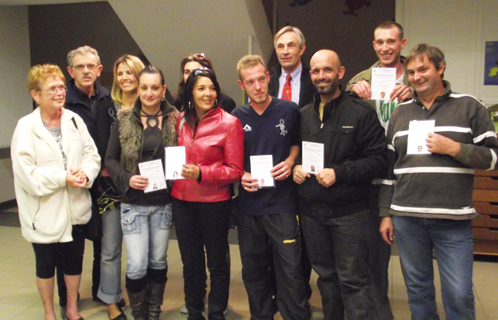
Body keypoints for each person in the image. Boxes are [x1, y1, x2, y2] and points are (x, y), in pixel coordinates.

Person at [379, 44, 498, 320]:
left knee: (458, 293)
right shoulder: (399, 113)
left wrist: (454, 148)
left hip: (452, 219)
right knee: (418, 290)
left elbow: (492, 157)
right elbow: (388, 170)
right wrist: (386, 214)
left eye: (423, 69)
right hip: (407, 217)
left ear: (440, 68)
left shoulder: (469, 106)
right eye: (411, 72)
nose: (417, 77)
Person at [293, 49, 388, 320]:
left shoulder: (361, 113)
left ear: (340, 73)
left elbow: (379, 160)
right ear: (310, 74)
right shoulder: (304, 115)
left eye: (328, 70)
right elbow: (296, 152)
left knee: (354, 281)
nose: (321, 76)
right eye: (316, 71)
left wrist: (339, 173)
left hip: (350, 214)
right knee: (326, 278)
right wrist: (297, 167)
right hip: (312, 214)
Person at [11, 64, 100, 320]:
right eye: (52, 88)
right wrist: (63, 178)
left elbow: (91, 155)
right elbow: (27, 174)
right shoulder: (26, 127)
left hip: (75, 207)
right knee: (46, 265)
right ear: (35, 95)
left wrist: (86, 172)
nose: (60, 92)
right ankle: (49, 312)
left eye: (62, 87)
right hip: (43, 212)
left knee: (73, 261)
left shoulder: (74, 120)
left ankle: (71, 308)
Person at [232, 55, 311, 320]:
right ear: (242, 85)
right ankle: (262, 315)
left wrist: (291, 161)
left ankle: (296, 315)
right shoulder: (235, 117)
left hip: (282, 204)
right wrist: (241, 175)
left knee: (290, 268)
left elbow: (297, 142)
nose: (257, 86)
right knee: (254, 270)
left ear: (268, 77)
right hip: (249, 207)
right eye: (250, 82)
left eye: (261, 79)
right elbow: (230, 160)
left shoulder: (288, 109)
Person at [345, 20, 410, 320]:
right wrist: (351, 91)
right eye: (380, 42)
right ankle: (378, 312)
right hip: (375, 174)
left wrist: (416, 94)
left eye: (391, 41)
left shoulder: (417, 76)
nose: (385, 47)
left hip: (410, 172)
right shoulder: (361, 78)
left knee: (414, 251)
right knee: (375, 253)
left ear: (402, 43)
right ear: (373, 45)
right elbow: (343, 110)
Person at [106, 65, 179, 320]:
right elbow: (111, 159)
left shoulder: (175, 119)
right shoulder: (124, 119)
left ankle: (154, 310)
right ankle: (139, 314)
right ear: (138, 89)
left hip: (163, 203)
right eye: (144, 88)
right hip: (133, 203)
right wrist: (127, 178)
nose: (149, 93)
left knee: (158, 261)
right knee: (137, 264)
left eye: (155, 88)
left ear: (163, 90)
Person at [171, 67, 244, 320]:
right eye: (201, 88)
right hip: (182, 203)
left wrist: (201, 173)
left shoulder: (229, 122)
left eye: (212, 88)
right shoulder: (179, 120)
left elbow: (235, 171)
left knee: (217, 263)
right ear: (190, 91)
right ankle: (194, 311)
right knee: (191, 264)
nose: (208, 93)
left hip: (215, 203)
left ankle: (216, 312)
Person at [61, 46, 116, 315]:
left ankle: (99, 290)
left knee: (102, 239)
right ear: (70, 71)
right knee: (72, 239)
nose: (86, 71)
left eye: (90, 66)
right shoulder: (63, 100)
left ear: (99, 69)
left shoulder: (107, 99)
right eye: (80, 66)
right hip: (75, 181)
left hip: (104, 181)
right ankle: (66, 296)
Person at [96, 54, 145, 320]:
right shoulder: (107, 106)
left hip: (144, 187)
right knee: (112, 247)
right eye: (120, 73)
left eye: (130, 72)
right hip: (112, 188)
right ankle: (112, 302)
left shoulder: (149, 103)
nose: (125, 78)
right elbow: (106, 150)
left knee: (142, 251)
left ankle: (143, 298)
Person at [268, 26, 316, 109]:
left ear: (301, 49)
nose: (285, 52)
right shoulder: (268, 83)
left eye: (291, 45)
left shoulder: (314, 82)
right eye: (280, 46)